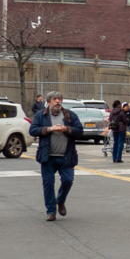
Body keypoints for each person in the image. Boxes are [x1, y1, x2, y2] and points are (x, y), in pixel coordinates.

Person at [30, 92, 84, 221]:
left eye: (60, 99)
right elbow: (32, 130)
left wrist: (66, 128)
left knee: (68, 180)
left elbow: (80, 131)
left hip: (66, 156)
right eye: (55, 99)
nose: (58, 102)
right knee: (48, 184)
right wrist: (49, 129)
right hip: (47, 157)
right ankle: (51, 211)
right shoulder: (40, 115)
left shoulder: (69, 115)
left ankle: (60, 201)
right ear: (49, 102)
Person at [108, 99, 130, 163]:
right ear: (119, 105)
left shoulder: (112, 112)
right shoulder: (121, 111)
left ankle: (114, 158)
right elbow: (125, 120)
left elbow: (110, 119)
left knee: (115, 143)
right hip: (121, 129)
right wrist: (128, 120)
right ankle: (118, 158)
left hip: (114, 128)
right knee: (120, 144)